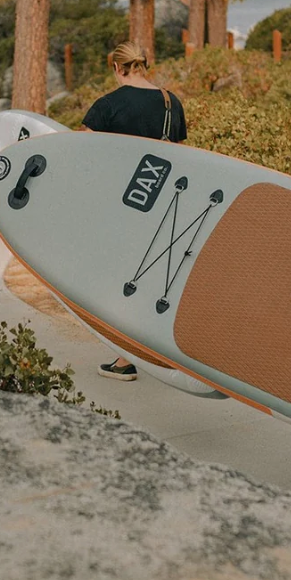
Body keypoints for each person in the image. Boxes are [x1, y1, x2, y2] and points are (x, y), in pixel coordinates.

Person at [80, 41, 187, 382]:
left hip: (120, 204)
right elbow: (185, 159)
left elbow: (82, 156)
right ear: (145, 64)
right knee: (152, 276)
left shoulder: (107, 106)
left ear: (117, 68)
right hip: (161, 203)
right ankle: (154, 349)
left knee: (120, 280)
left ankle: (126, 357)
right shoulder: (172, 102)